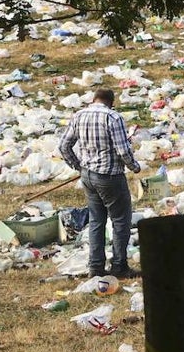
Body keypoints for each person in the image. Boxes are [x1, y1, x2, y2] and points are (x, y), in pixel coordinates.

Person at [59, 88, 142, 278]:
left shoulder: (79, 115)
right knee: (121, 221)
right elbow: (122, 150)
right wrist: (134, 166)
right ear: (111, 102)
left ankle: (95, 267)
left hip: (88, 176)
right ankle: (119, 266)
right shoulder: (113, 118)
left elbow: (64, 145)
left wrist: (78, 166)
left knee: (97, 220)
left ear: (94, 99)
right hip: (110, 176)